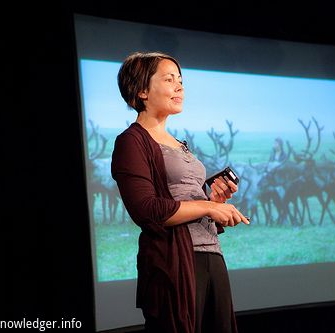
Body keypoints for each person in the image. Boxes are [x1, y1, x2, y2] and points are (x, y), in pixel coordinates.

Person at [111, 51, 249, 333]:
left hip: (212, 256)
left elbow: (182, 200)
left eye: (181, 80)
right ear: (142, 91)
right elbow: (147, 210)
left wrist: (213, 201)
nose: (179, 87)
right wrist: (207, 208)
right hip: (174, 264)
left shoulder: (179, 143)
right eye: (169, 79)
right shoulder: (131, 142)